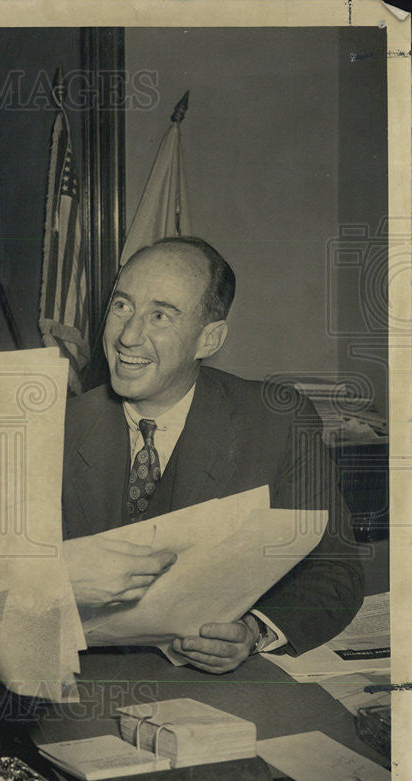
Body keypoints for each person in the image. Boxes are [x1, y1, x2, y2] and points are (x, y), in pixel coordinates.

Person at [61, 237, 364, 673]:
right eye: (122, 306)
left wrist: (254, 631)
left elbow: (334, 570)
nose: (128, 336)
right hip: (77, 685)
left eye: (160, 315)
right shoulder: (55, 427)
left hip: (218, 691)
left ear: (210, 338)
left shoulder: (276, 421)